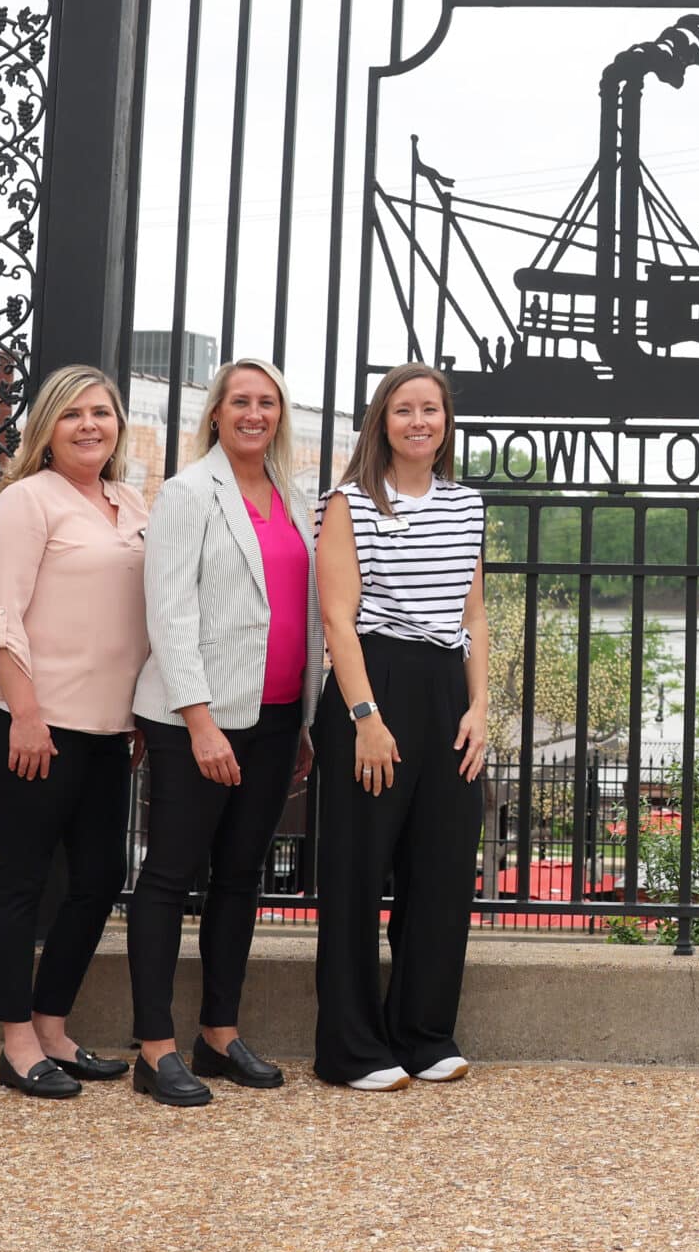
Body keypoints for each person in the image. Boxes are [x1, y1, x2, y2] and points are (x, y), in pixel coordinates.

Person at [126, 358, 324, 1108]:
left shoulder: (295, 497)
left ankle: (218, 1031)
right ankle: (154, 1046)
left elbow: (299, 613)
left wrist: (303, 719)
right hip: (196, 720)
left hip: (274, 718)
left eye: (266, 401)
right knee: (171, 873)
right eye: (240, 400)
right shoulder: (185, 493)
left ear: (280, 414)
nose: (253, 412)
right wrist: (199, 719)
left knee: (241, 874)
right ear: (216, 412)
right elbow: (169, 613)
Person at [311, 363, 493, 1091]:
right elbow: (337, 618)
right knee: (357, 872)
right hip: (374, 683)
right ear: (381, 420)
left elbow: (473, 613)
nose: (420, 421)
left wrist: (479, 707)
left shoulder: (466, 502)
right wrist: (365, 717)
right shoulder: (348, 502)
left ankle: (423, 1032)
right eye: (404, 409)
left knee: (442, 869)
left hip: (447, 687)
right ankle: (351, 1046)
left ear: (446, 423)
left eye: (432, 410)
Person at [0, 365, 148, 1099]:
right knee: (25, 877)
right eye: (73, 413)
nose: (89, 425)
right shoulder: (25, 501)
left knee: (101, 876)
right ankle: (15, 1043)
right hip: (34, 722)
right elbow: (0, 618)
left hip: (109, 726)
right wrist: (26, 713)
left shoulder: (132, 502)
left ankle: (52, 1022)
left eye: (102, 412)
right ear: (47, 425)